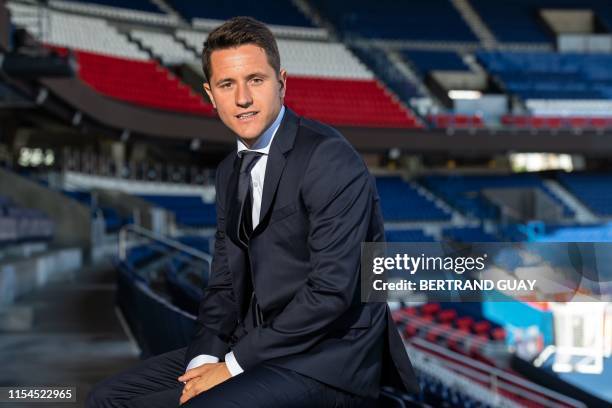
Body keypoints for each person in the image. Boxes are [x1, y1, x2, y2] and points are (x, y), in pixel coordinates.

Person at [87, 16, 418, 408]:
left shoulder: (328, 157)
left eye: (256, 80)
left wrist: (230, 367)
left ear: (282, 83)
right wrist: (205, 358)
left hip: (325, 359)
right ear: (211, 94)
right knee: (106, 398)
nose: (242, 98)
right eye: (228, 85)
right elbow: (224, 284)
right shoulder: (230, 170)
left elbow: (331, 293)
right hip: (254, 347)